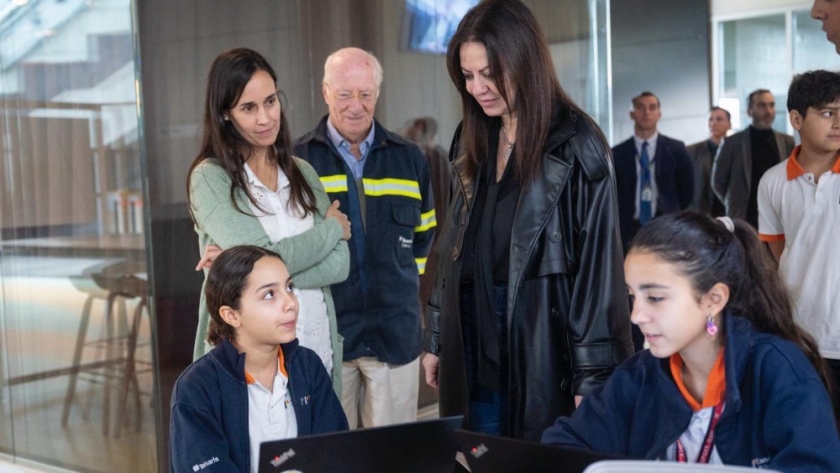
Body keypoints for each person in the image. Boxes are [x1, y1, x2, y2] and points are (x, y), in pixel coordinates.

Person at [422, 0, 633, 441]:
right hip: (470, 329)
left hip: (540, 337)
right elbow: (451, 245)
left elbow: (599, 273)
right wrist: (437, 337)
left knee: (527, 456)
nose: (478, 87)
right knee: (473, 454)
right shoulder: (471, 135)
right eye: (468, 75)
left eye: (490, 73)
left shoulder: (578, 143)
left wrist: (593, 377)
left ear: (524, 61)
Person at [542, 212, 840, 472]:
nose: (636, 316)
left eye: (655, 298)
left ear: (714, 299)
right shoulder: (640, 375)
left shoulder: (777, 370)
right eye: (633, 296)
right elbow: (562, 448)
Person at [187, 48, 350, 394]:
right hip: (250, 367)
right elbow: (267, 256)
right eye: (248, 108)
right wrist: (332, 229)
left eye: (271, 102)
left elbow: (341, 263)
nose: (265, 118)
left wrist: (253, 280)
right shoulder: (209, 178)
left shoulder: (302, 171)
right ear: (225, 115)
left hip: (316, 350)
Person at [293, 47, 436, 429]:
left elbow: (424, 235)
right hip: (327, 338)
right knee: (335, 457)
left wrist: (399, 284)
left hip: (395, 336)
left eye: (366, 94)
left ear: (377, 94)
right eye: (344, 94)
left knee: (390, 459)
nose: (356, 105)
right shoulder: (297, 162)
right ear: (325, 92)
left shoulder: (410, 158)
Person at [170, 245, 348, 473]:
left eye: (289, 287)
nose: (291, 303)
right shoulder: (196, 387)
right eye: (269, 294)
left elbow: (334, 453)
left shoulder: (308, 366)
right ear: (231, 315)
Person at [758, 69, 840, 405]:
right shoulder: (773, 181)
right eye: (827, 113)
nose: (837, 123)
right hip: (801, 335)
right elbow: (777, 251)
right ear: (795, 118)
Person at [612, 91, 694, 251]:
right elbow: (613, 191)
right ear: (632, 114)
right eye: (640, 107)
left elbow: (687, 189)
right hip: (628, 228)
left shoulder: (676, 149)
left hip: (665, 226)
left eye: (652, 107)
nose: (646, 112)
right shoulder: (617, 153)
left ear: (659, 114)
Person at [711, 89, 795, 228]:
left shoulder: (787, 142)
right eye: (762, 105)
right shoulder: (732, 143)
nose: (768, 111)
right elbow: (718, 182)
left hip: (778, 216)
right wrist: (734, 200)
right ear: (750, 110)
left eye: (771, 105)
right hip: (745, 217)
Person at [402, 117, 451, 315]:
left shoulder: (436, 157)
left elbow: (442, 196)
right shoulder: (415, 156)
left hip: (436, 231)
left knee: (431, 284)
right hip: (421, 231)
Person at [686, 106, 731, 216]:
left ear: (729, 124)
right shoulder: (692, 151)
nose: (713, 123)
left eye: (719, 119)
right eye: (710, 120)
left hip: (730, 211)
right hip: (702, 212)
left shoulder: (737, 150)